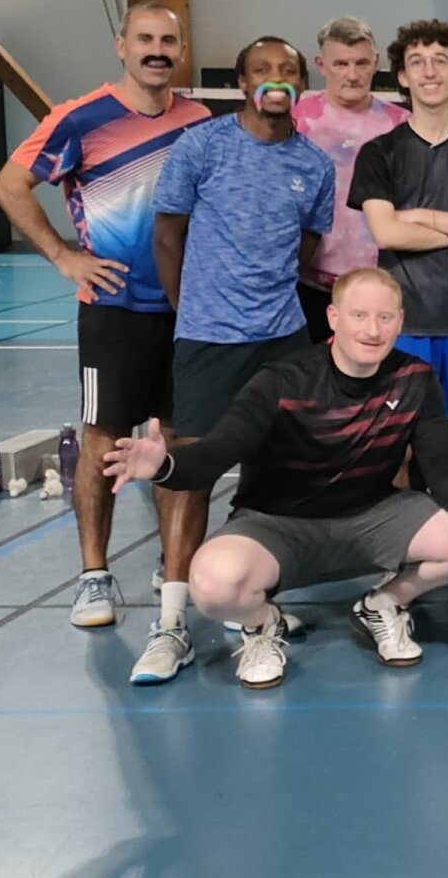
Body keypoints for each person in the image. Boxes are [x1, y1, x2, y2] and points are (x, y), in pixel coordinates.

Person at [99, 267, 448, 688]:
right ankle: (262, 625)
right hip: (277, 527)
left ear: (400, 321)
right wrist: (163, 465)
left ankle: (384, 603)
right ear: (333, 317)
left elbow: (443, 473)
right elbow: (216, 453)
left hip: (372, 519)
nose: (372, 330)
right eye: (359, 315)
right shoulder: (283, 381)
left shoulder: (414, 379)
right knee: (212, 585)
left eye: (384, 317)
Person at [0, 0, 210, 631]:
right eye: (145, 39)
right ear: (122, 46)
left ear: (181, 52)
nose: (157, 51)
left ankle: (174, 567)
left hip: (186, 311)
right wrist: (63, 255)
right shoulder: (80, 119)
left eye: (168, 41)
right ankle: (94, 575)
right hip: (113, 311)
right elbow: (8, 185)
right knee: (103, 441)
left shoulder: (198, 121)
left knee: (179, 441)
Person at [143, 35, 335, 685]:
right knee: (188, 475)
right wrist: (192, 310)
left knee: (274, 475)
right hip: (207, 339)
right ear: (242, 83)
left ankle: (252, 608)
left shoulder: (314, 164)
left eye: (287, 70)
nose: (275, 79)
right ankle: (171, 624)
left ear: (301, 84)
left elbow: (307, 243)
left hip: (281, 337)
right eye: (262, 70)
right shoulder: (202, 145)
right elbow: (167, 234)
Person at [351, 18, 448, 513]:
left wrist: (424, 217)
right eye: (416, 62)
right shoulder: (380, 153)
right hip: (403, 326)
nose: (429, 71)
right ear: (402, 76)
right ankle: (398, 549)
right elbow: (386, 233)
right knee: (395, 447)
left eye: (440, 61)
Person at [293, 16, 407, 343]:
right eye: (341, 64)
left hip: (380, 283)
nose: (352, 75)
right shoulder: (295, 119)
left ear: (376, 62)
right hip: (307, 282)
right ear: (321, 65)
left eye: (361, 63)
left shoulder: (402, 124)